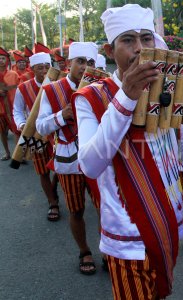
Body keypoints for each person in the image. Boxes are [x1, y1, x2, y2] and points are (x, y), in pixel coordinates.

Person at [72, 4, 183, 299]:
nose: (140, 49)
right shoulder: (91, 97)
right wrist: (126, 98)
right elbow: (89, 166)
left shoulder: (172, 89)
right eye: (128, 40)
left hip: (170, 225)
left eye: (146, 39)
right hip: (128, 237)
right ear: (109, 50)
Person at [36, 42, 101, 275]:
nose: (85, 67)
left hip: (97, 158)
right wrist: (62, 115)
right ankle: (84, 250)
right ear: (68, 64)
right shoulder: (52, 90)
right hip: (69, 160)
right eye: (80, 61)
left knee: (106, 208)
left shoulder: (101, 87)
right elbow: (41, 125)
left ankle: (109, 249)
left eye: (90, 62)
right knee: (76, 210)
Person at [13, 52, 60, 221]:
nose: (44, 70)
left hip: (56, 133)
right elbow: (17, 110)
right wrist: (22, 124)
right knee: (42, 171)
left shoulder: (57, 84)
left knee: (59, 168)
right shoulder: (23, 87)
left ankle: (53, 189)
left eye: (47, 67)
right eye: (40, 67)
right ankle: (52, 203)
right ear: (32, 69)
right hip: (35, 135)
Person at [0, 46, 19, 161]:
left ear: (6, 60)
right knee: (2, 132)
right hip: (0, 109)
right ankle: (7, 153)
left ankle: (17, 155)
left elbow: (18, 88)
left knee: (17, 131)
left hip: (12, 107)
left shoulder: (13, 74)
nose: (0, 60)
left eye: (2, 58)